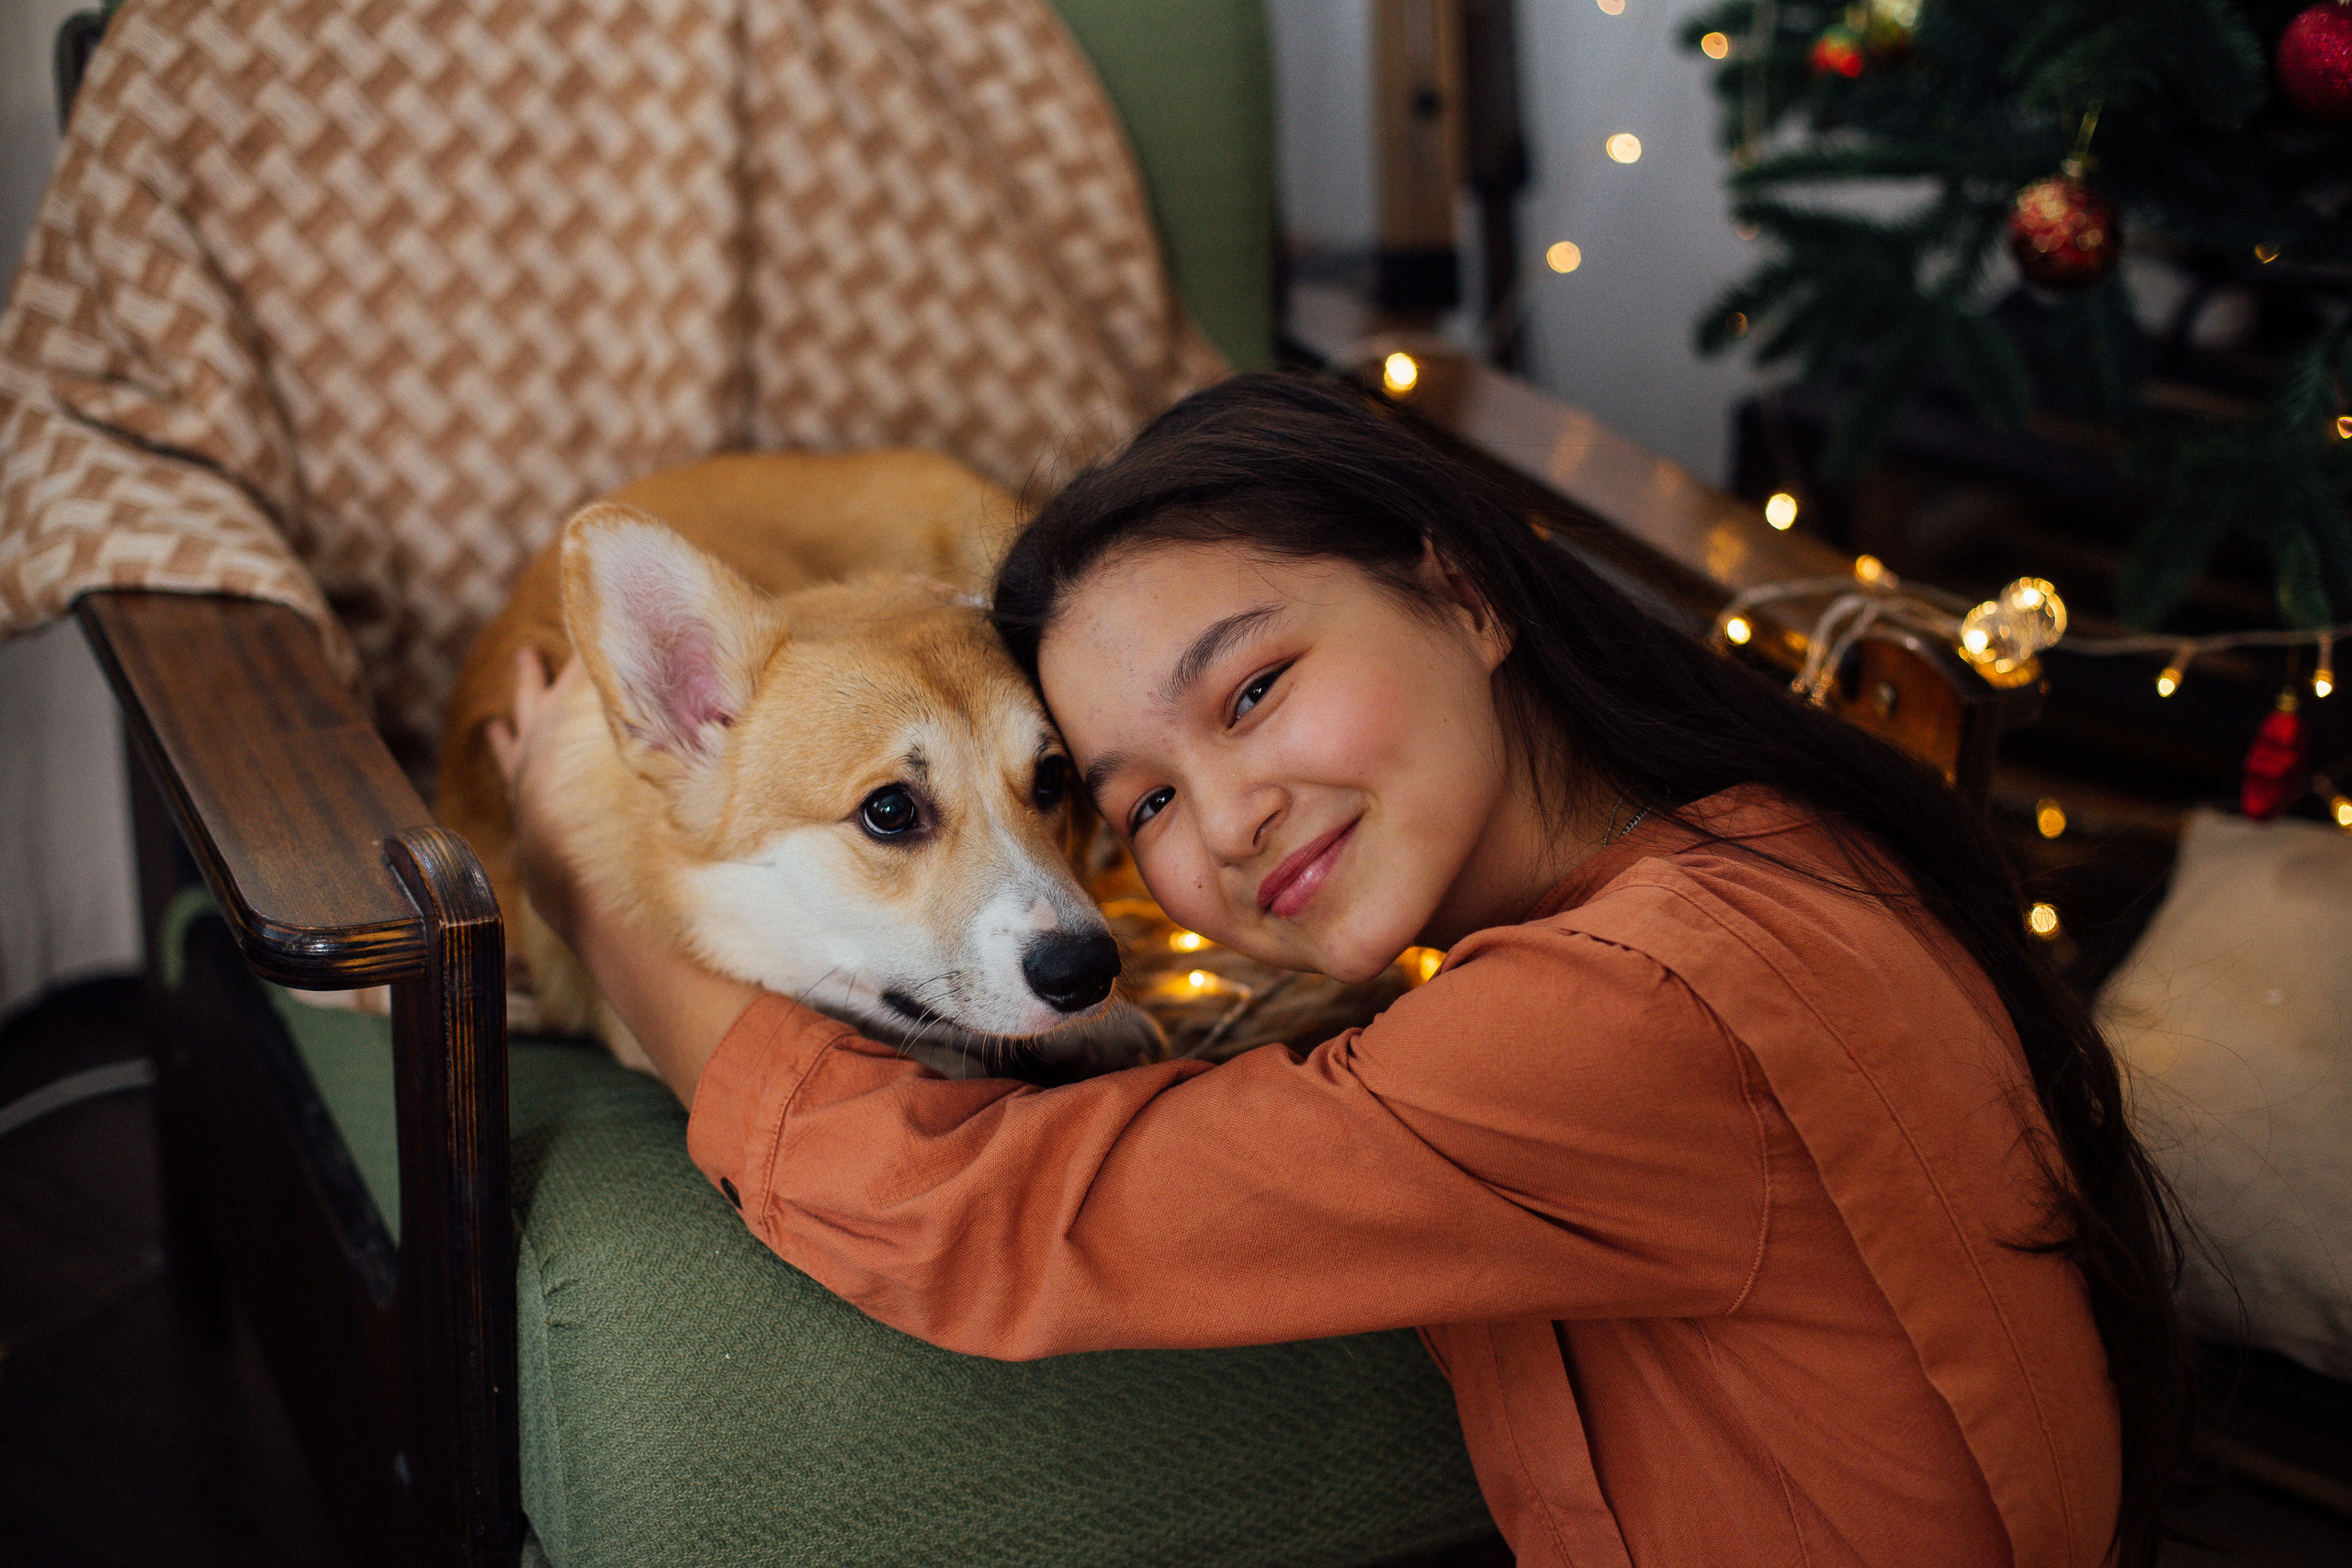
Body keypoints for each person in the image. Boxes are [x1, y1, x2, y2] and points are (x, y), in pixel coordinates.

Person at [492, 374, 2189, 1568]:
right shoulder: (1775, 844)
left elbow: (986, 1223)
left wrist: (593, 888)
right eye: (1138, 795)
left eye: (1252, 691)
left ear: (1457, 589)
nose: (1224, 818)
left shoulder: (1632, 1018)